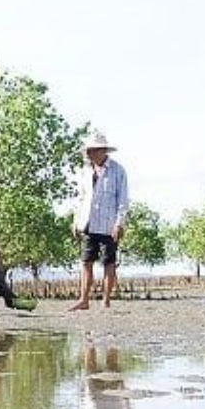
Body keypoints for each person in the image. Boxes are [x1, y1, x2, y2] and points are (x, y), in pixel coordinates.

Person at [69, 131, 130, 310]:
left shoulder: (118, 171)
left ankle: (106, 300)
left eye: (93, 150)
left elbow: (123, 200)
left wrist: (119, 223)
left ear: (103, 151)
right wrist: (76, 220)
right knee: (85, 261)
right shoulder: (85, 171)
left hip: (109, 225)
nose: (89, 154)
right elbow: (80, 198)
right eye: (88, 151)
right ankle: (84, 299)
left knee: (108, 263)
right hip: (88, 222)